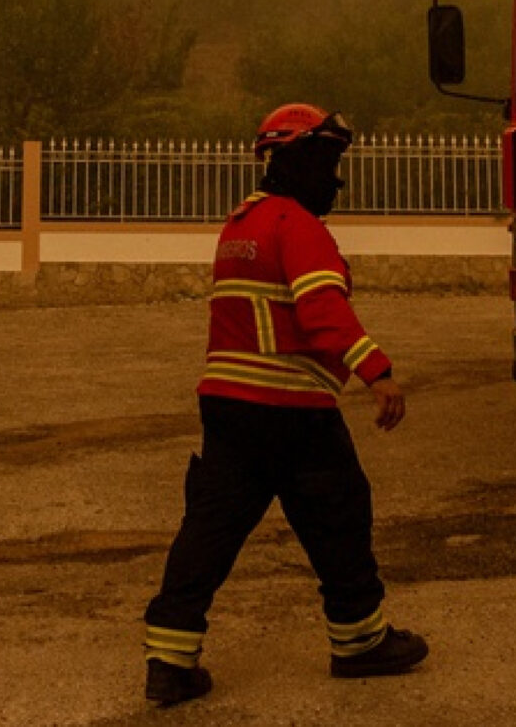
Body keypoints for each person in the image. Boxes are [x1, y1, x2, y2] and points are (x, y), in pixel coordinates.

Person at [140, 103, 429, 706]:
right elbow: (322, 313)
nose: (335, 178)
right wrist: (378, 372)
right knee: (341, 516)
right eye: (327, 161)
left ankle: (169, 659)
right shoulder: (298, 226)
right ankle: (359, 643)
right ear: (297, 160)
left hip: (227, 405)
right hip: (292, 407)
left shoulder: (240, 225)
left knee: (209, 532)